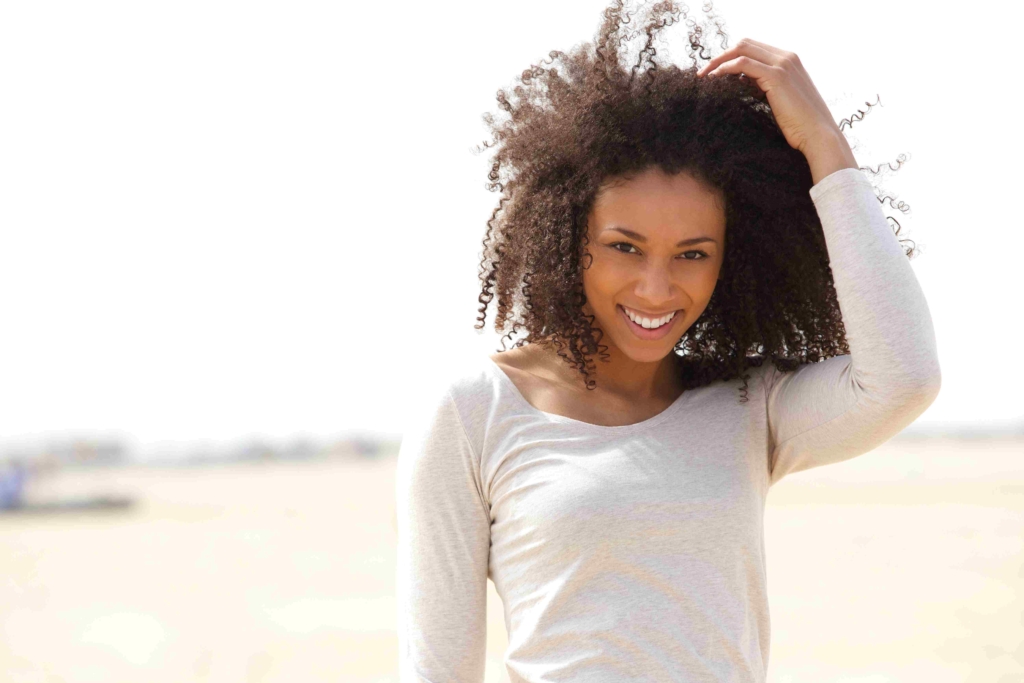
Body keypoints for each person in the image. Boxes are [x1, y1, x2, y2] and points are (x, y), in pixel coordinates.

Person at [395, 1, 941, 681]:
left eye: (692, 253)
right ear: (569, 240)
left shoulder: (747, 404)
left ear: (729, 259)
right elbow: (436, 670)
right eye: (625, 246)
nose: (657, 289)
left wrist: (826, 147)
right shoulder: (474, 413)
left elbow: (904, 377)